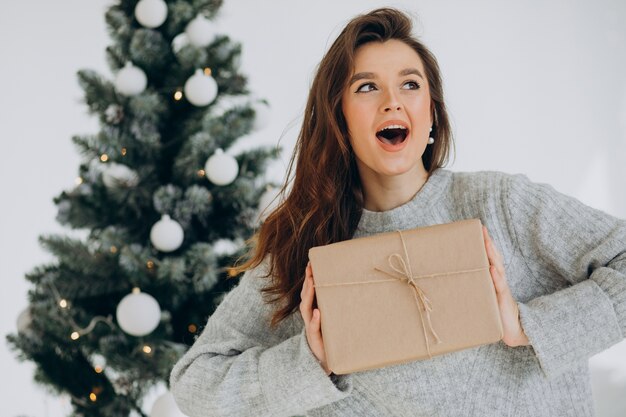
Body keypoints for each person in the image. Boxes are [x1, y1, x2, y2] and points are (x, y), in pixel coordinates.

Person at [170, 7, 626, 417]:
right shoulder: (308, 247)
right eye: (367, 87)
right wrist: (314, 361)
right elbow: (195, 386)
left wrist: (527, 325)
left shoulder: (500, 204)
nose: (393, 100)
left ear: (431, 113)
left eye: (411, 84)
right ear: (340, 119)